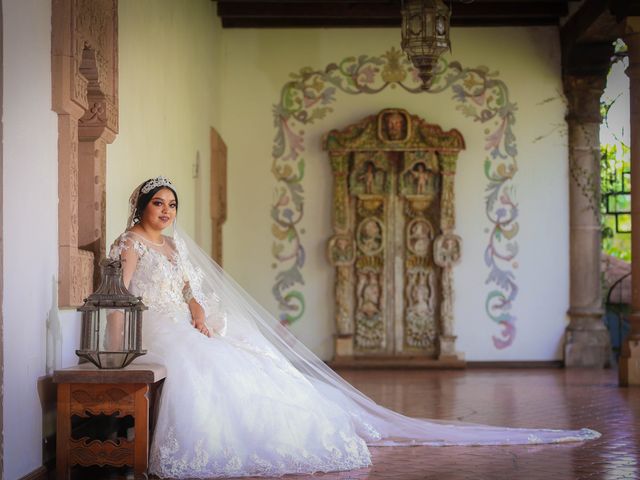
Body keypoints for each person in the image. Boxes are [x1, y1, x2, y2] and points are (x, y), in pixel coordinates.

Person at [110, 176, 600, 479]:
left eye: (172, 205)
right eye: (160, 205)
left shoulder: (174, 247)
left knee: (247, 353)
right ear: (143, 208)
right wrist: (168, 319)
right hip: (154, 322)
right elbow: (121, 291)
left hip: (184, 316)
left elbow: (191, 287)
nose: (167, 211)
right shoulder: (130, 242)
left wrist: (196, 309)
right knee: (210, 364)